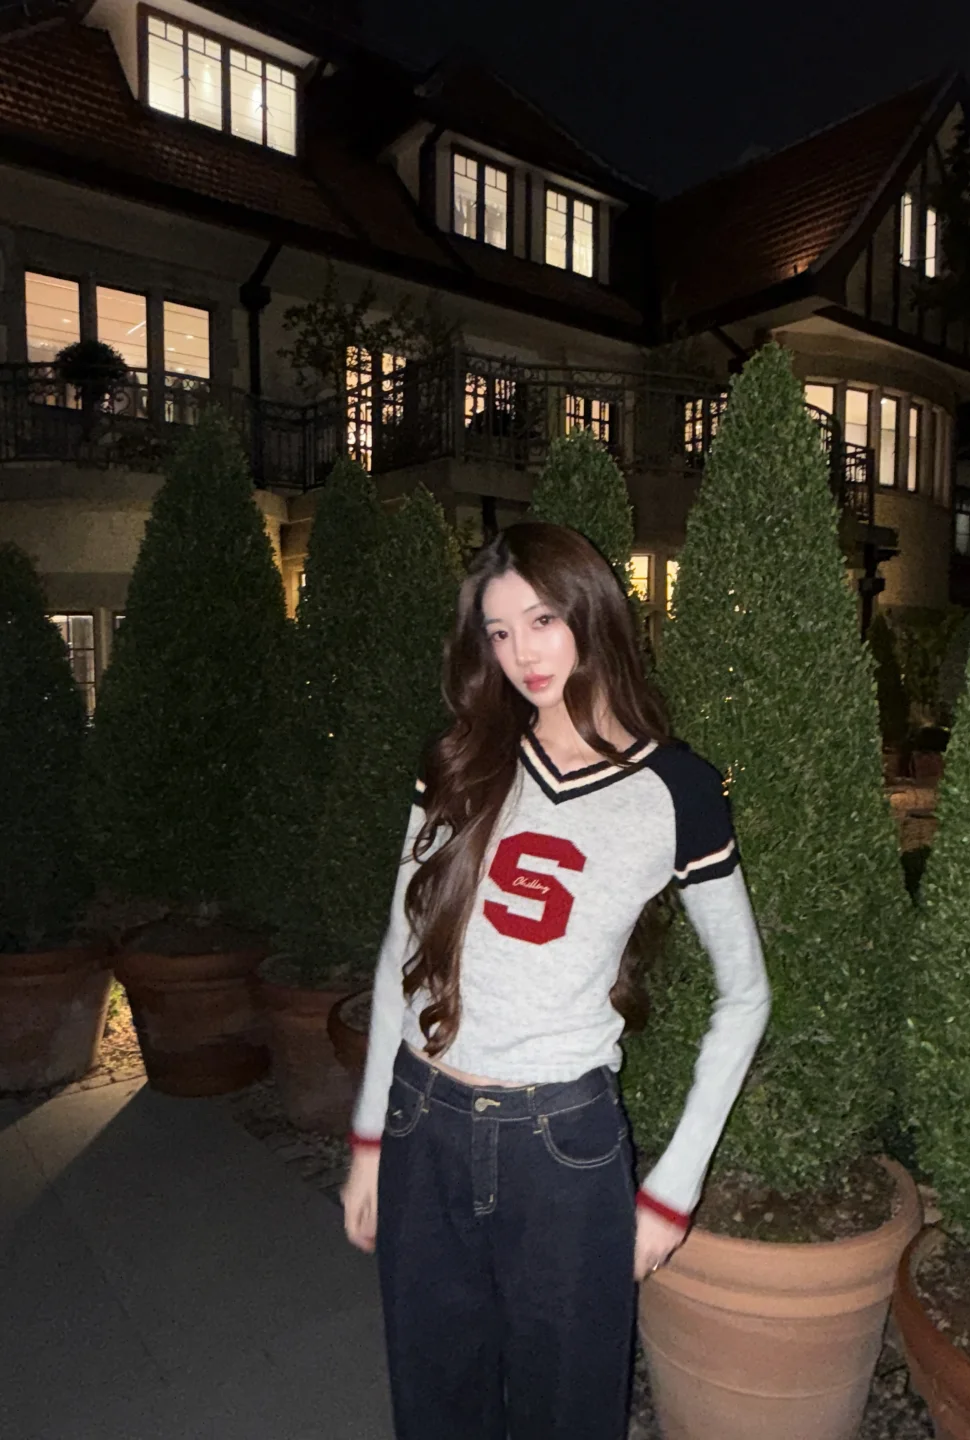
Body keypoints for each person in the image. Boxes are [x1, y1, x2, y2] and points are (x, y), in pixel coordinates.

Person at [341, 521, 770, 1440]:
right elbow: (399, 954)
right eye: (499, 632)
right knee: (434, 1407)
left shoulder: (678, 791)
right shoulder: (460, 759)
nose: (522, 654)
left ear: (591, 613)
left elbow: (746, 993)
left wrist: (674, 1186)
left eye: (542, 621)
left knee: (568, 1413)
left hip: (560, 1150)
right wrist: (371, 1138)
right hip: (423, 1123)